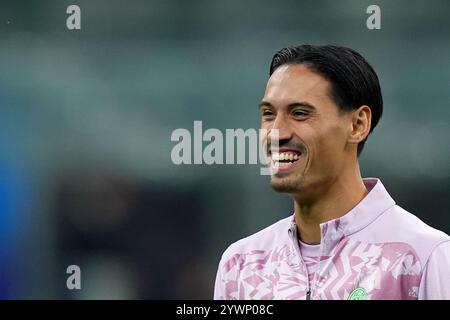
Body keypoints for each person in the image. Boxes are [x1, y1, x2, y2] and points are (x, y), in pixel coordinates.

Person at [214, 44, 450, 300]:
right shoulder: (240, 265)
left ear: (358, 124)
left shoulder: (424, 256)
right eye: (269, 114)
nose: (276, 133)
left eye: (300, 113)